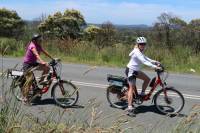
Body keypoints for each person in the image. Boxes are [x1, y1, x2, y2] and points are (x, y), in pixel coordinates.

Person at [125, 37, 161, 116]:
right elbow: (144, 61)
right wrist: (155, 67)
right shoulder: (137, 52)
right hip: (131, 70)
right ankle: (129, 108)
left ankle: (142, 94)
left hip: (136, 71)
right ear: (138, 45)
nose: (142, 45)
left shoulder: (140, 51)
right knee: (131, 88)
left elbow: (145, 58)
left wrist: (155, 62)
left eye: (144, 44)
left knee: (147, 79)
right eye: (141, 44)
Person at [22, 34, 53, 101]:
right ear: (34, 40)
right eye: (39, 39)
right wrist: (42, 61)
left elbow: (45, 52)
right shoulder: (32, 46)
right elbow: (36, 55)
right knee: (29, 81)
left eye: (41, 39)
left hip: (33, 63)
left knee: (47, 67)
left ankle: (41, 81)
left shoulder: (38, 45)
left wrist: (52, 58)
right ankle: (25, 97)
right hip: (27, 65)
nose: (41, 40)